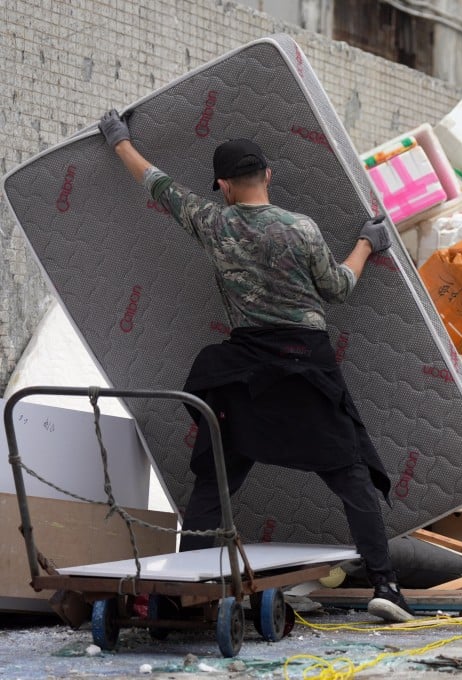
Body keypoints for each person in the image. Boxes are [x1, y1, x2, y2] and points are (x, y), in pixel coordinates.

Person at [97, 109, 414, 623]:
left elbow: (156, 183)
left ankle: (180, 598)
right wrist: (366, 243)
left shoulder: (212, 220)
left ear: (223, 185)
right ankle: (386, 587)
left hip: (244, 374)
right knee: (351, 476)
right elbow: (338, 288)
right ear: (268, 175)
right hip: (305, 366)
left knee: (213, 480)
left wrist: (119, 140)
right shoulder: (302, 229)